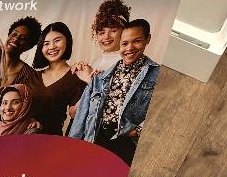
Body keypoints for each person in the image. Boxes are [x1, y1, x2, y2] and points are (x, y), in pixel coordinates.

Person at [69, 19, 158, 165]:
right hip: (96, 138)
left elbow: (160, 112)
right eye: (124, 43)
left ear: (147, 39)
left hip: (124, 144)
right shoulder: (102, 76)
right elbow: (81, 116)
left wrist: (138, 131)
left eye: (137, 41)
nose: (129, 48)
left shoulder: (156, 75)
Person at [30, 22, 87, 135]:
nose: (52, 47)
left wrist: (90, 83)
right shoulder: (33, 75)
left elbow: (74, 114)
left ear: (67, 41)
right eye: (46, 43)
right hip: (24, 136)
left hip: (52, 139)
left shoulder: (76, 76)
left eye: (57, 40)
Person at [0, 17, 42, 90]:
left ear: (28, 46)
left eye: (23, 38)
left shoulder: (30, 76)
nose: (16, 39)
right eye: (14, 34)